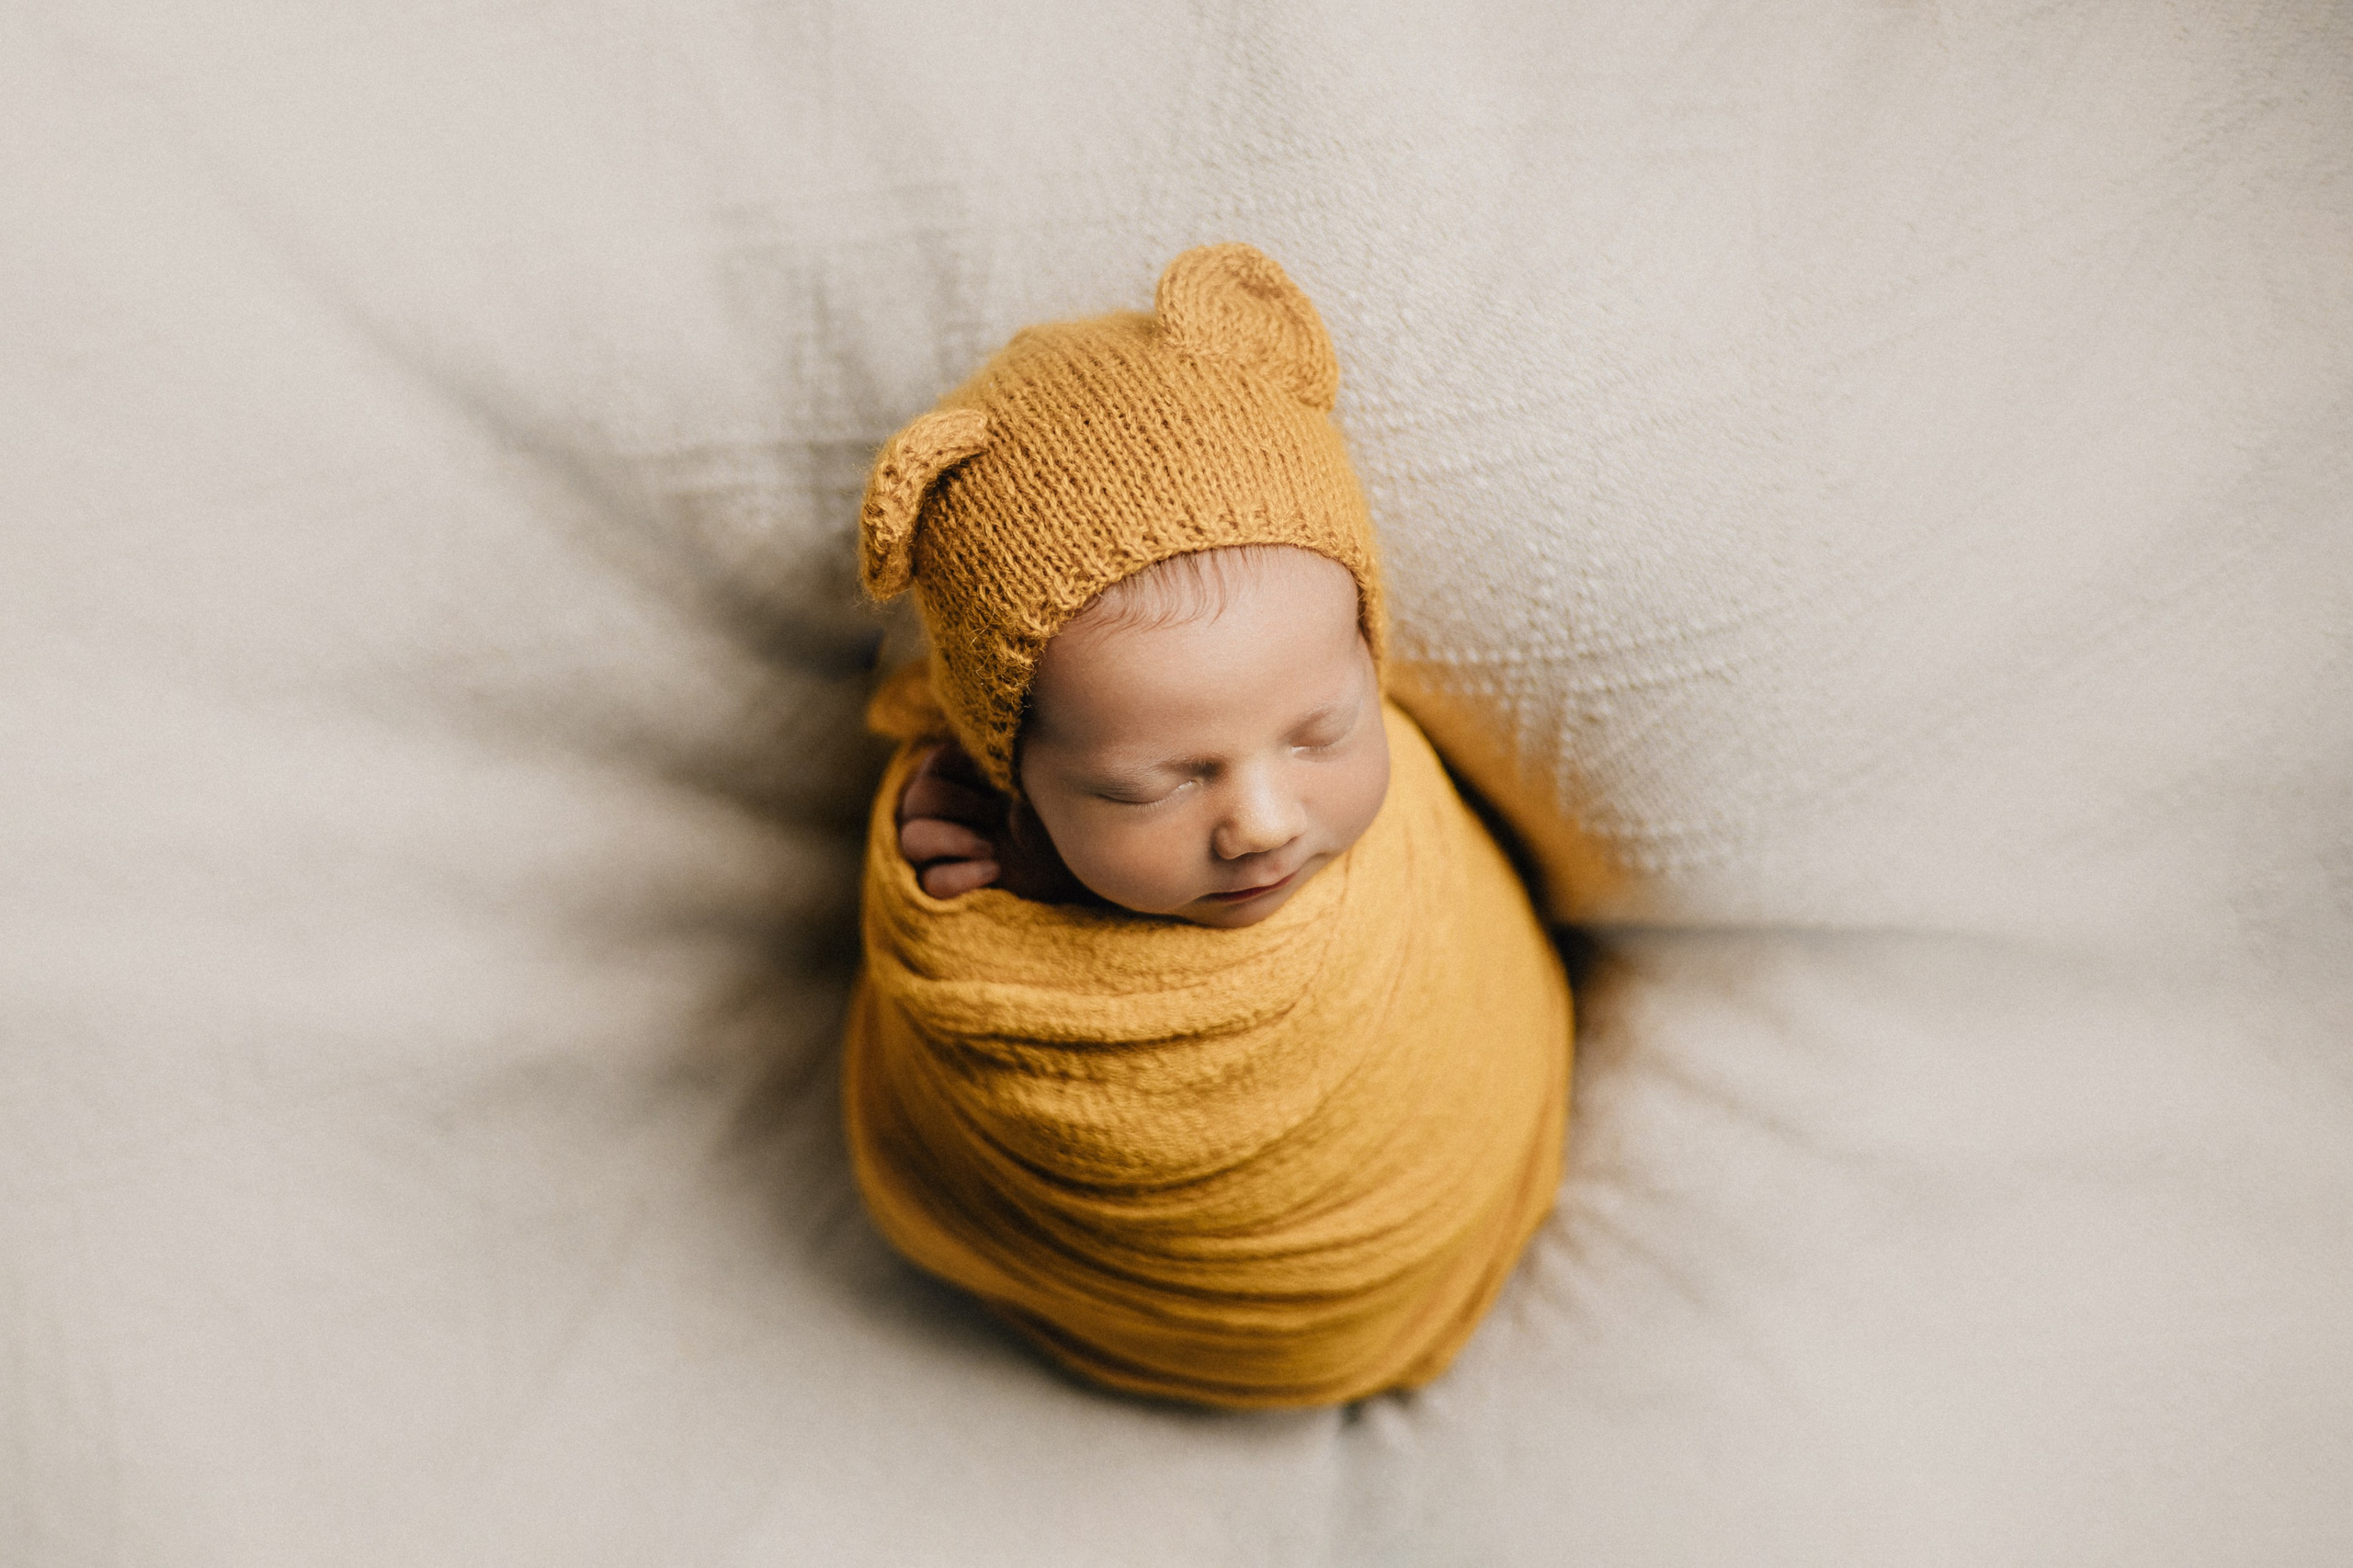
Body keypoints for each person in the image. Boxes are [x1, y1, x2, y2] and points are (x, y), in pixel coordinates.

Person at [842, 244, 1572, 1408]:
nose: (1266, 824)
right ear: (1010, 774)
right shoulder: (983, 838)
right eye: (1151, 786)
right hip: (1184, 1293)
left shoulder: (1397, 814)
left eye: (1324, 729)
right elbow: (972, 1046)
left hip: (1446, 1174)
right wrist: (1012, 894)